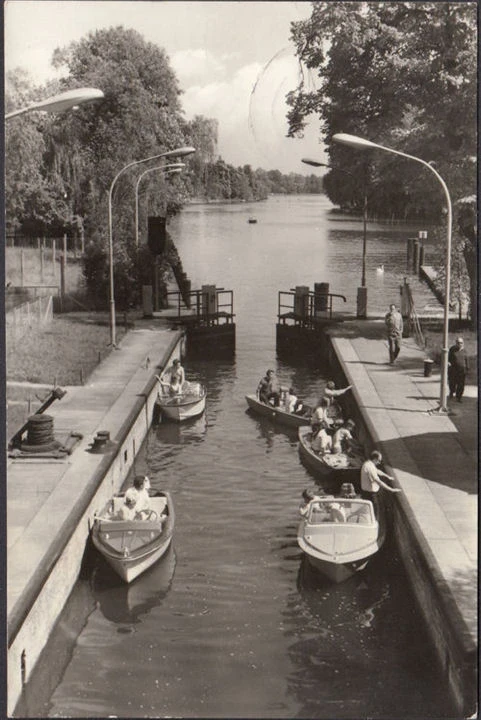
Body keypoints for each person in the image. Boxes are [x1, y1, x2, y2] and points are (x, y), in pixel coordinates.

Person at [448, 336, 469, 402]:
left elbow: (466, 360)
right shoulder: (452, 349)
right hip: (453, 370)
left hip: (462, 371)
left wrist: (467, 368)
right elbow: (448, 358)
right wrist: (448, 362)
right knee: (452, 382)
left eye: (461, 343)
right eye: (458, 342)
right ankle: (451, 392)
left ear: (463, 343)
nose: (460, 344)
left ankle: (459, 397)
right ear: (456, 343)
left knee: (461, 384)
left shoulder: (464, 351)